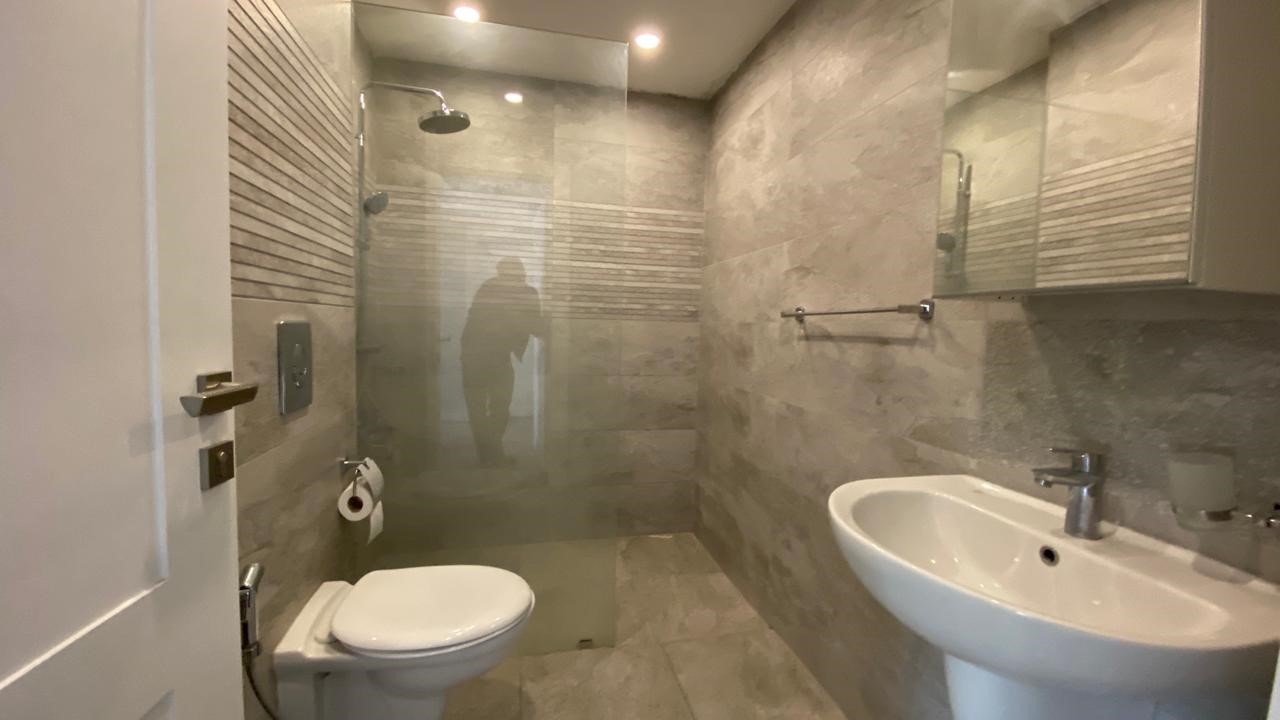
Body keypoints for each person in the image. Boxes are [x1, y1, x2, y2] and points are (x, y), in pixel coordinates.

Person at [459, 257, 544, 466]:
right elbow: (532, 324)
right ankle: (491, 455)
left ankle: (490, 455)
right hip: (482, 356)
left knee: (492, 408)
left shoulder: (492, 288)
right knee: (492, 408)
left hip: (481, 356)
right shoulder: (509, 292)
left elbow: (530, 323)